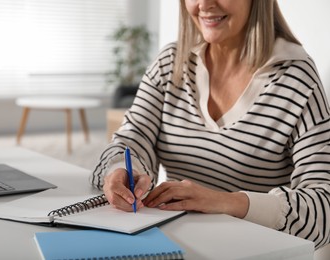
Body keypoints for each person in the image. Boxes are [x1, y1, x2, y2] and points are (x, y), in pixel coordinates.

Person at [90, 0, 330, 249]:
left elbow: (324, 212)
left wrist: (226, 202)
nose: (204, 4)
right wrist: (119, 171)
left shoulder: (296, 79)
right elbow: (131, 140)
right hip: (178, 247)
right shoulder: (171, 63)